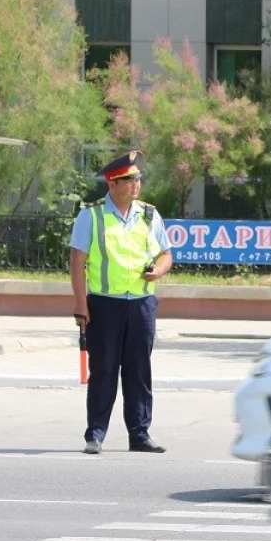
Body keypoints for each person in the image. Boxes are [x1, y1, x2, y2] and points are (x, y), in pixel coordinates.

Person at [69, 150, 173, 455]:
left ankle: (139, 434)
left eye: (138, 178)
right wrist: (80, 303)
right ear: (111, 184)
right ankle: (96, 434)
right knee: (103, 370)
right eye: (128, 179)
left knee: (139, 370)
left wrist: (159, 270)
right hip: (104, 304)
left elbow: (166, 254)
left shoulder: (149, 215)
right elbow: (78, 261)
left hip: (142, 304)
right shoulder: (92, 216)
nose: (136, 184)